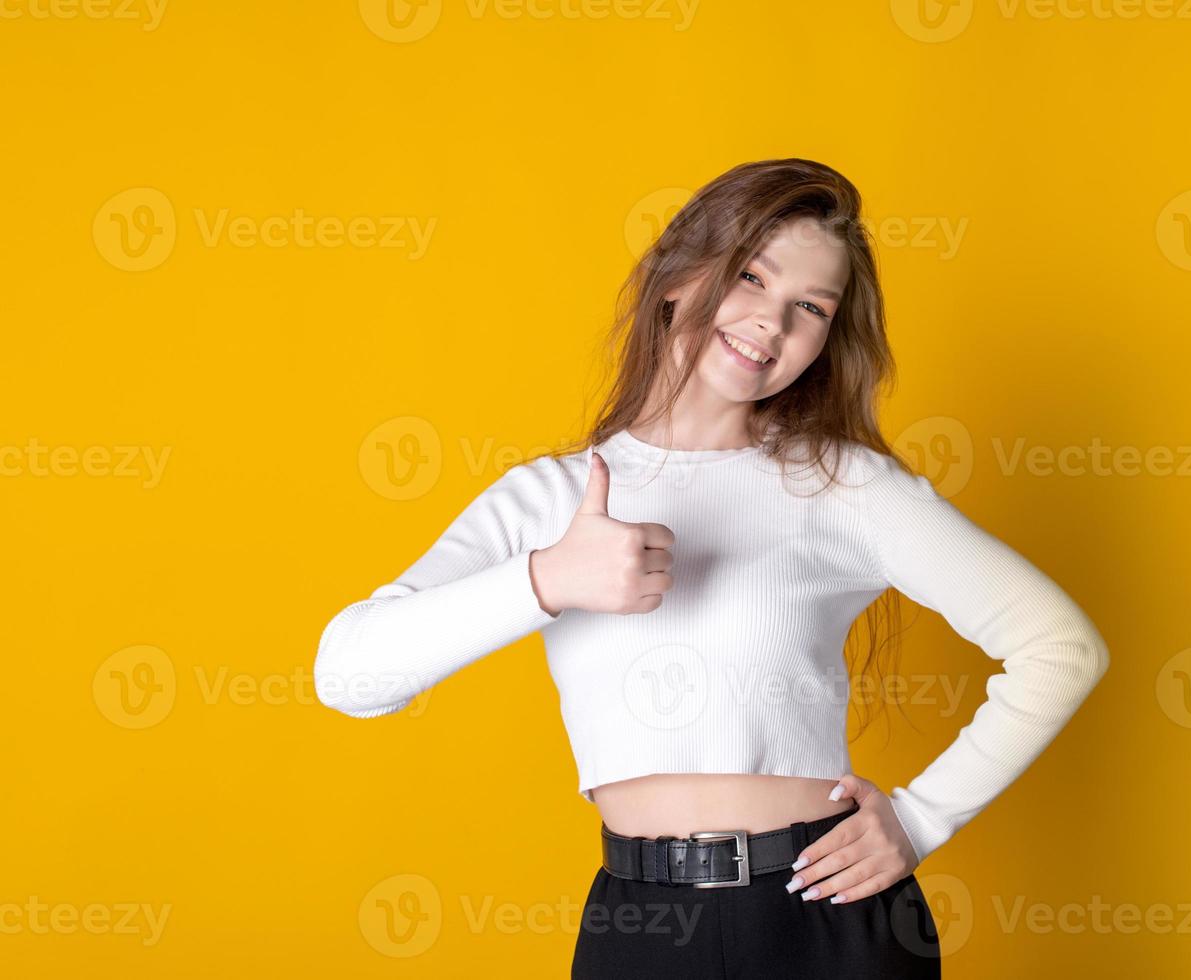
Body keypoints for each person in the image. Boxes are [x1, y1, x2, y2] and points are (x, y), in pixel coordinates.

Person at [313, 158, 1110, 977]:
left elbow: (1060, 647)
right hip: (638, 924)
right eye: (751, 277)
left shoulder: (845, 486)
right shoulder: (548, 500)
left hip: (820, 915)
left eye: (809, 307)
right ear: (679, 276)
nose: (771, 322)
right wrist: (547, 580)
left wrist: (918, 820)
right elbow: (347, 674)